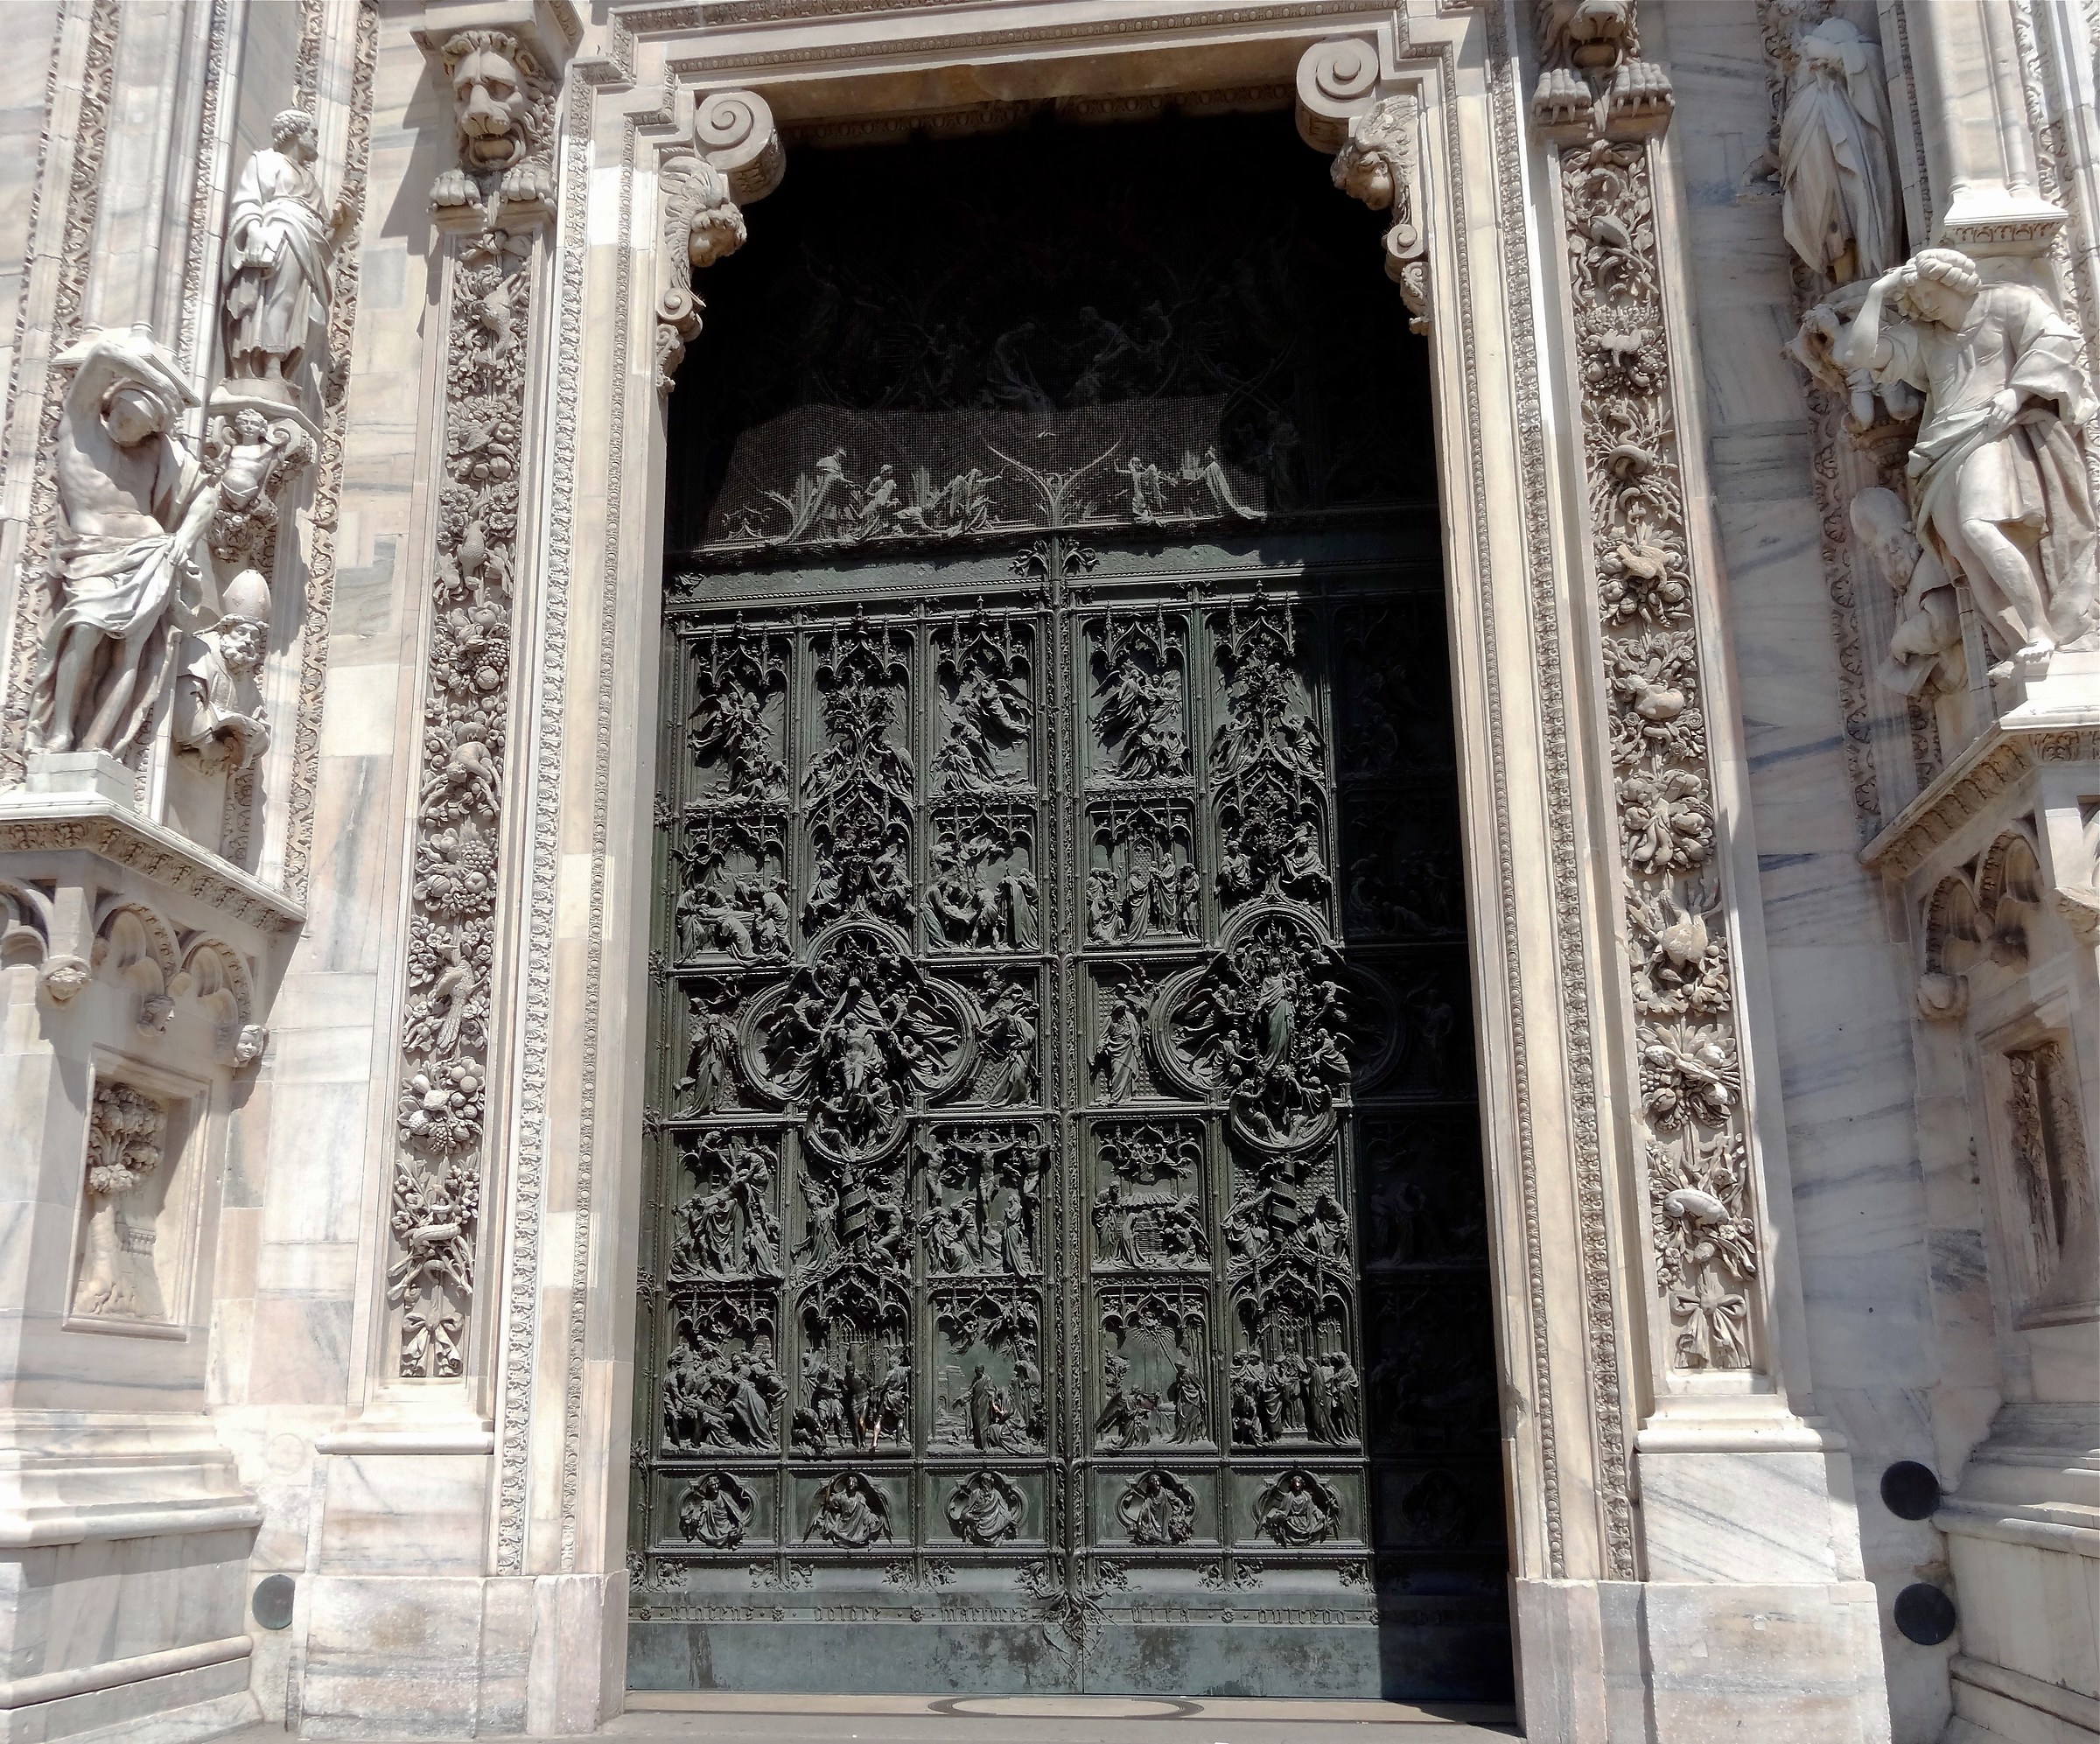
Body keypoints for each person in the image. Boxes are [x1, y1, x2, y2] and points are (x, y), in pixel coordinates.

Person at [1835, 248, 2097, 676]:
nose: (1925, 304)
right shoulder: (1924, 336)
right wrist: (1879, 293)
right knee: (1967, 561)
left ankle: (2040, 631)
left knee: (1980, 526)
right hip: (1939, 454)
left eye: (1928, 292)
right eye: (1916, 299)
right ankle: (2017, 646)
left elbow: (2054, 344)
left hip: (1990, 435)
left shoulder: (2008, 302)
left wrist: (2017, 393)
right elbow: (1857, 355)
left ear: (1952, 279)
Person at [31, 332, 216, 759]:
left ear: (152, 430)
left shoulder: (156, 454)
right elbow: (103, 352)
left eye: (136, 426)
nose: (123, 428)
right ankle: (61, 732)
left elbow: (207, 496)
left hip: (150, 557)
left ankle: (98, 744)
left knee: (131, 653)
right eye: (122, 416)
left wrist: (183, 539)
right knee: (84, 628)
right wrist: (160, 383)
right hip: (90, 555)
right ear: (111, 404)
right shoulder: (81, 428)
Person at [222, 109, 336, 387]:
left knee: (296, 305)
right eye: (312, 132)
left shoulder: (312, 183)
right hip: (280, 234)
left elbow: (325, 239)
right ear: (295, 132)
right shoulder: (265, 161)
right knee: (279, 298)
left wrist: (346, 222)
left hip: (307, 242)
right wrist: (254, 230)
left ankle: (280, 366)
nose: (316, 139)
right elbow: (248, 201)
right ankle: (270, 364)